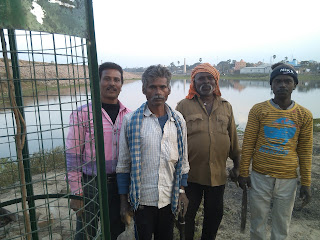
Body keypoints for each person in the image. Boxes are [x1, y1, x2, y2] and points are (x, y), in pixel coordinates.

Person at [238, 63, 313, 240]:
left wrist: (306, 183)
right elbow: (248, 143)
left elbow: (305, 150)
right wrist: (243, 172)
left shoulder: (304, 115)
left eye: (288, 81)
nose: (282, 85)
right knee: (258, 222)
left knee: (282, 223)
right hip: (260, 176)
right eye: (278, 81)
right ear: (271, 85)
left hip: (288, 178)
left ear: (295, 85)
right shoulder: (259, 110)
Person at [116, 64, 190, 240]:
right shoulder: (131, 120)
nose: (158, 92)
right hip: (142, 200)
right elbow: (124, 164)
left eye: (162, 87)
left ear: (169, 90)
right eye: (153, 87)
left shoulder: (178, 120)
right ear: (144, 90)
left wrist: (181, 192)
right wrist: (123, 202)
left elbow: (183, 160)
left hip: (169, 197)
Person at [66, 62, 130, 240]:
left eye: (116, 80)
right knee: (86, 232)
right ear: (98, 81)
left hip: (120, 185)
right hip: (91, 184)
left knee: (116, 230)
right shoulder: (83, 114)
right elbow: (73, 156)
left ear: (121, 84)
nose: (112, 83)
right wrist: (76, 192)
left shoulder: (130, 116)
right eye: (107, 78)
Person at [176, 63, 241, 240]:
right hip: (190, 175)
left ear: (216, 80)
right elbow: (174, 140)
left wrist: (238, 165)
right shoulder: (183, 106)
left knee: (214, 215)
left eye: (209, 78)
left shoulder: (226, 106)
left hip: (218, 175)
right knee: (186, 215)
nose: (206, 82)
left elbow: (233, 138)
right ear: (194, 82)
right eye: (201, 78)